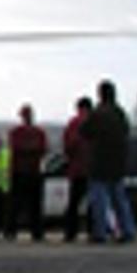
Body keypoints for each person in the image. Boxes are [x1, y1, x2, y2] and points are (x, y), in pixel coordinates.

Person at [81, 80, 137, 244]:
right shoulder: (120, 113)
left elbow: (84, 131)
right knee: (120, 199)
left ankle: (101, 232)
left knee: (99, 200)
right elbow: (126, 132)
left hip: (99, 163)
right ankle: (128, 230)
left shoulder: (98, 113)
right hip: (118, 162)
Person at [5, 104, 48, 241]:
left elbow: (17, 148)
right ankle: (33, 232)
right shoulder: (37, 133)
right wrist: (32, 151)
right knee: (23, 204)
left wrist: (26, 151)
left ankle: (17, 231)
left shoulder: (17, 132)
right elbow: (41, 149)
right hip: (28, 171)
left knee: (22, 204)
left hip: (24, 171)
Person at [62, 96, 93, 242]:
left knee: (73, 203)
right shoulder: (96, 122)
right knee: (93, 203)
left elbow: (68, 145)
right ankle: (94, 231)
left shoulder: (74, 123)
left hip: (77, 169)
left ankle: (70, 232)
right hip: (93, 169)